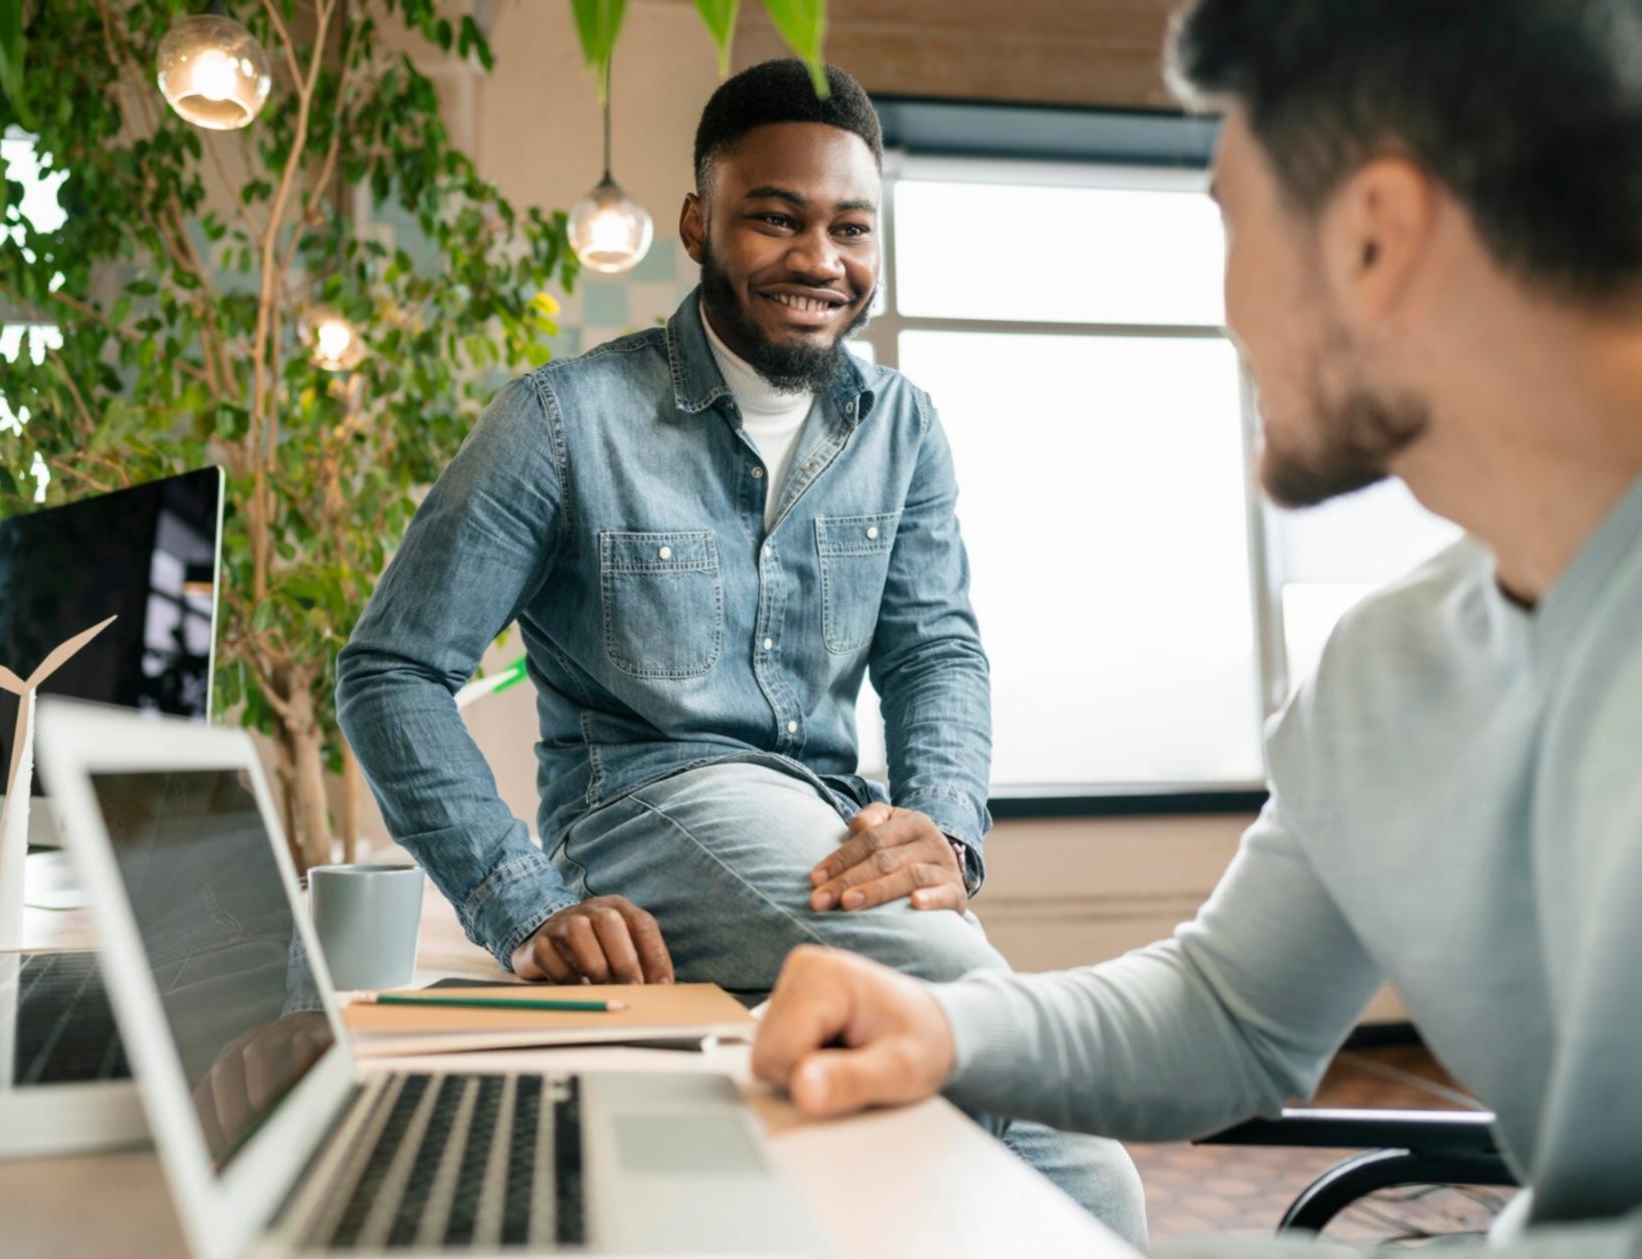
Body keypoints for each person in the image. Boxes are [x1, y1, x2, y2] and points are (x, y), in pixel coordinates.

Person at [750, 1, 1642, 1252]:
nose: (1225, 306)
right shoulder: (1386, 677)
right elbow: (1232, 1008)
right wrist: (942, 1026)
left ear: (1377, 240)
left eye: (1228, 218)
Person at [336, 59, 1145, 1241]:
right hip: (645, 800)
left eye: (850, 228)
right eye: (777, 217)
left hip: (827, 814)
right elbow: (391, 668)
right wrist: (519, 900)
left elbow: (936, 651)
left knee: (912, 1133)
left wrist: (948, 828)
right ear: (699, 223)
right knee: (1059, 1122)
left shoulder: (904, 425)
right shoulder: (560, 420)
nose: (820, 259)